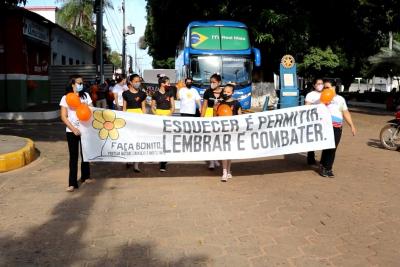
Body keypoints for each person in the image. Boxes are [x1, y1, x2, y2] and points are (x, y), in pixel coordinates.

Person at [60, 75, 94, 192]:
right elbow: (63, 116)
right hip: (71, 131)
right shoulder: (65, 98)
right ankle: (72, 183)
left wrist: (86, 107)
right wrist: (73, 129)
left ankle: (86, 176)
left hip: (86, 130)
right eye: (79, 83)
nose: (81, 85)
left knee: (85, 154)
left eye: (82, 83)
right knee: (73, 157)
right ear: (72, 84)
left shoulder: (86, 96)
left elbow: (92, 110)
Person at [318, 80, 356, 178]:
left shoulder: (341, 99)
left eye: (328, 87)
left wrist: (351, 125)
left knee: (333, 147)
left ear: (334, 87)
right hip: (326, 126)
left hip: (338, 127)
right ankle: (327, 168)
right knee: (328, 146)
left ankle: (324, 165)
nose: (326, 89)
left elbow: (345, 112)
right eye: (324, 88)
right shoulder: (323, 98)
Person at [217, 84, 242, 182]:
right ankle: (224, 172)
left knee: (230, 151)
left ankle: (228, 170)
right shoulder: (221, 103)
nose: (226, 93)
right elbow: (218, 116)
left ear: (232, 93)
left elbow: (240, 117)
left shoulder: (236, 103)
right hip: (223, 130)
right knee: (224, 151)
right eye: (225, 91)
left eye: (228, 92)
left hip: (233, 131)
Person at [123, 74, 147, 172]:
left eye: (139, 81)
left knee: (138, 140)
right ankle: (128, 160)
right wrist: (123, 120)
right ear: (131, 82)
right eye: (136, 81)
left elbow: (144, 107)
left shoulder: (142, 94)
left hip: (139, 118)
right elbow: (124, 108)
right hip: (129, 118)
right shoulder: (125, 94)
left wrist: (145, 119)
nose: (138, 83)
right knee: (129, 140)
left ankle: (136, 164)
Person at [151, 75, 175, 172]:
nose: (169, 85)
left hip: (168, 117)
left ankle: (163, 162)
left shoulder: (170, 93)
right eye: (167, 83)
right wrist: (157, 115)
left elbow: (173, 106)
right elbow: (153, 106)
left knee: (166, 138)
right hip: (158, 117)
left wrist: (169, 115)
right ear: (162, 84)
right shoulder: (155, 94)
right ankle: (159, 156)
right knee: (159, 138)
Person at [201, 73, 223, 170]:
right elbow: (204, 106)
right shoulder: (207, 92)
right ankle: (211, 161)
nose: (212, 84)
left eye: (214, 82)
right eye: (211, 82)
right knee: (210, 139)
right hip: (209, 115)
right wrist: (202, 118)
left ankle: (216, 159)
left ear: (219, 82)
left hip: (220, 116)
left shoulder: (224, 92)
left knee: (218, 139)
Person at [305, 78, 324, 165]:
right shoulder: (310, 95)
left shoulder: (326, 93)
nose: (320, 85)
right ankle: (311, 158)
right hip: (313, 120)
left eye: (322, 83)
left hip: (324, 120)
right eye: (318, 83)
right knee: (312, 139)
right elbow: (307, 107)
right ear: (314, 85)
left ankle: (324, 160)